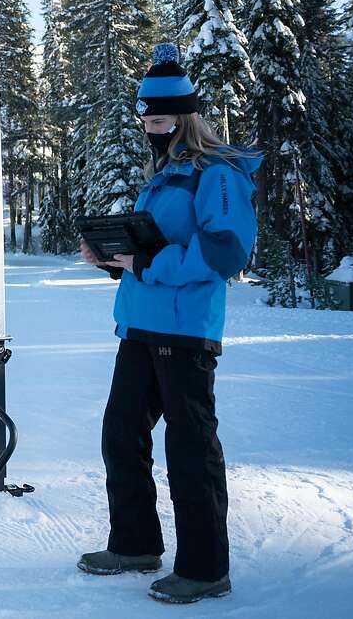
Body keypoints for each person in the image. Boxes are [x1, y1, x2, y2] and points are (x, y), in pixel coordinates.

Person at [76, 44, 260, 604]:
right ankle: (134, 543)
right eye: (146, 120)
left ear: (185, 118)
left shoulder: (217, 172)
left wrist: (148, 263)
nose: (150, 129)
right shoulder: (162, 177)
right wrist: (112, 259)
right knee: (120, 435)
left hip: (186, 334)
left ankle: (205, 569)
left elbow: (227, 250)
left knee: (189, 448)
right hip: (139, 326)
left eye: (158, 120)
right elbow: (148, 250)